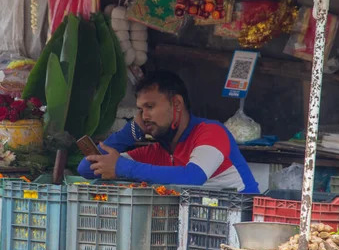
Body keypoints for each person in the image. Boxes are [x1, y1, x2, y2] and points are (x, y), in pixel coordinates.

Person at [77, 70, 259, 193]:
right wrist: (130, 132)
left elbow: (192, 177)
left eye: (150, 107)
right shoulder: (157, 152)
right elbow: (86, 168)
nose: (144, 116)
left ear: (177, 104)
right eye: (140, 110)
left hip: (244, 230)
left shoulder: (211, 132)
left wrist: (122, 167)